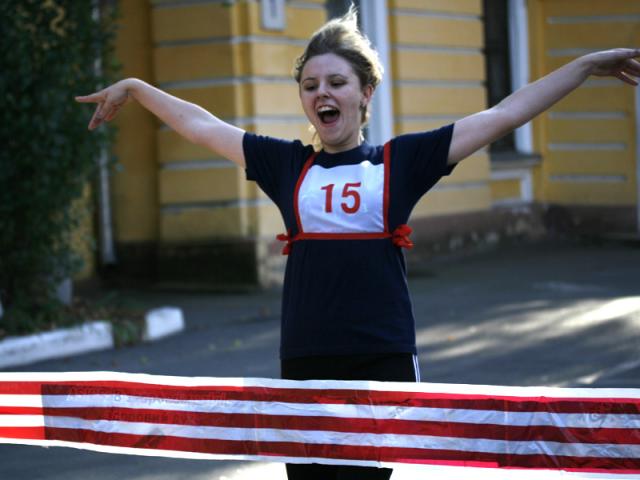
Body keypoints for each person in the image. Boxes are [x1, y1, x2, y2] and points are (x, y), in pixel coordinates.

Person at [76, 7, 640, 480]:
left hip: (381, 358)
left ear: (366, 92)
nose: (322, 93)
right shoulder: (285, 165)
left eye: (336, 82)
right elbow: (202, 125)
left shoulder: (401, 162)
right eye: (310, 85)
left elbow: (504, 114)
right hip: (307, 359)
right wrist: (136, 89)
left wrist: (583, 66)